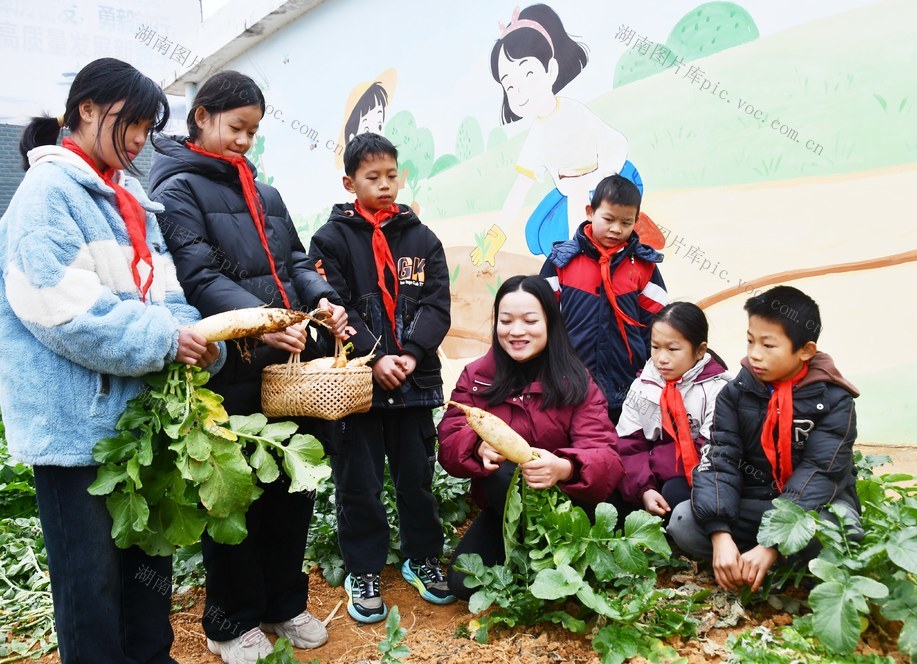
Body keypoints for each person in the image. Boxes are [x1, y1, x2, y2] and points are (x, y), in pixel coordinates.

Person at [0, 57, 222, 663]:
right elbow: (63, 310)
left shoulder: (129, 199)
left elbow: (169, 296)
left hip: (138, 426)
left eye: (148, 126)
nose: (139, 139)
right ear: (87, 110)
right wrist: (165, 341)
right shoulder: (45, 195)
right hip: (77, 435)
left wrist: (200, 340)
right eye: (132, 122)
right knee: (89, 585)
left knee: (147, 568)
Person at [149, 70, 348, 663]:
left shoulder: (263, 192)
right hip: (231, 366)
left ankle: (284, 603)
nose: (245, 141)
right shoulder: (177, 190)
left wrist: (318, 301)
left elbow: (294, 259)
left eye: (253, 132)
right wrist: (265, 321)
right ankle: (229, 620)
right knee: (235, 499)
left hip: (289, 366)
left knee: (293, 486)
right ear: (202, 116)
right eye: (237, 127)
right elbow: (200, 277)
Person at [308, 132, 454, 623]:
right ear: (350, 182)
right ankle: (364, 568)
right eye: (374, 178)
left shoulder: (422, 238)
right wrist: (374, 358)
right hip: (357, 388)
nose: (386, 185)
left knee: (417, 478)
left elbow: (436, 304)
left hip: (413, 386)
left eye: (392, 175)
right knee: (358, 483)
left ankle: (422, 557)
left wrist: (411, 355)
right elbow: (337, 306)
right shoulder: (330, 240)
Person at [438, 275, 625, 600]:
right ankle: (530, 558)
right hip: (504, 510)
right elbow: (450, 441)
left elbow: (606, 456)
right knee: (462, 582)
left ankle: (551, 558)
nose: (517, 331)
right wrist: (476, 445)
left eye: (530, 320)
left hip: (568, 509)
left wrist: (565, 468)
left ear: (550, 323)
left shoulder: (577, 381)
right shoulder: (477, 377)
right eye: (506, 321)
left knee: (573, 582)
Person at [667, 286, 862, 592]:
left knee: (843, 531)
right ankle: (753, 562)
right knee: (684, 521)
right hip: (752, 504)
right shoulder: (734, 394)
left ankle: (768, 560)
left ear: (806, 351)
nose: (754, 353)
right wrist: (720, 536)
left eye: (768, 345)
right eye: (750, 340)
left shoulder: (835, 401)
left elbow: (820, 472)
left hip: (810, 510)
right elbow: (720, 461)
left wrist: (772, 542)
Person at [471, 3, 663, 266]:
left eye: (528, 73)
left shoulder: (573, 111)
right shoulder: (536, 136)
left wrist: (598, 178)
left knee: (579, 201)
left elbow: (616, 144)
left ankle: (623, 236)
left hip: (612, 181)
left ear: (549, 70)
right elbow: (520, 189)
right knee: (536, 232)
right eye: (510, 85)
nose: (520, 90)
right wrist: (496, 235)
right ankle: (585, 244)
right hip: (575, 195)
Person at [540, 175, 668, 423]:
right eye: (608, 219)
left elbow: (658, 329)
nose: (616, 229)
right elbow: (540, 320)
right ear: (590, 212)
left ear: (636, 221)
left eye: (626, 222)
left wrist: (646, 377)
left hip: (628, 387)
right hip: (570, 385)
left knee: (623, 453)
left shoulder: (644, 267)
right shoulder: (561, 262)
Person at [616, 302, 731, 516]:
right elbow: (628, 444)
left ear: (700, 350)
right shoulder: (642, 386)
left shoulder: (718, 389)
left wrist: (654, 460)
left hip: (697, 479)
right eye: (655, 347)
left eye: (672, 349)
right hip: (649, 478)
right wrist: (645, 489)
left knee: (675, 491)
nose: (661, 358)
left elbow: (708, 450)